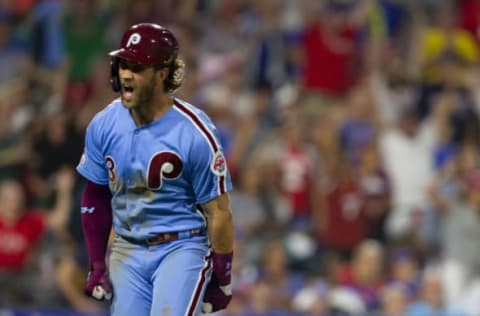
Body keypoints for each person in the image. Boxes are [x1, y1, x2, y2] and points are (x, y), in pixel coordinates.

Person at [76, 23, 234, 316]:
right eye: (123, 63)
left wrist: (223, 276)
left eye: (137, 67)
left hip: (182, 246)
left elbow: (218, 211)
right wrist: (97, 263)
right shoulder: (104, 123)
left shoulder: (195, 131)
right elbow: (95, 196)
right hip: (127, 247)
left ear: (162, 73)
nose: (126, 74)